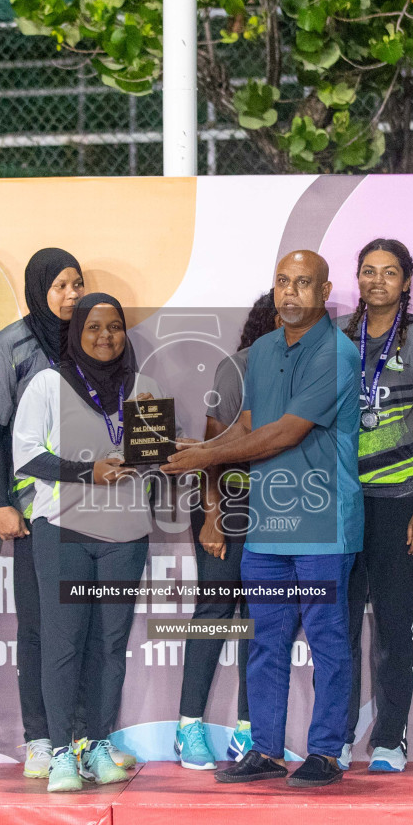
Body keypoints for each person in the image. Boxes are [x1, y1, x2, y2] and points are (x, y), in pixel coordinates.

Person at [164, 249, 362, 789]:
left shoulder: (339, 353)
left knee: (326, 637)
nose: (291, 292)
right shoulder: (265, 350)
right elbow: (248, 425)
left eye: (303, 283)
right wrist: (191, 446)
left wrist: (203, 457)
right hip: (269, 524)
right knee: (267, 637)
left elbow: (286, 432)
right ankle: (266, 750)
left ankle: (326, 751)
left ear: (324, 293)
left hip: (323, 522)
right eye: (282, 282)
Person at [0, 248, 127, 776]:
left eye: (77, 286)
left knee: (97, 635)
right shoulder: (12, 347)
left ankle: (89, 738)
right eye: (60, 286)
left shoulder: (114, 355)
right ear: (39, 288)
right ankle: (43, 737)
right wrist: (0, 502)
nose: (70, 296)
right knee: (44, 630)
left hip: (111, 524)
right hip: (40, 512)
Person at [14, 292, 162, 792]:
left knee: (110, 645)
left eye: (115, 327)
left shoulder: (144, 387)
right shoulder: (47, 385)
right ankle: (60, 753)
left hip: (126, 535)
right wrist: (87, 472)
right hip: (64, 533)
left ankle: (97, 744)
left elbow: (154, 462)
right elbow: (26, 455)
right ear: (76, 332)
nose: (105, 337)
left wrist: (160, 453)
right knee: (62, 644)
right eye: (94, 327)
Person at [339, 239, 413, 773]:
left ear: (407, 281)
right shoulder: (339, 337)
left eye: (389, 273)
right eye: (367, 271)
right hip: (342, 506)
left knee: (393, 625)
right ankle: (334, 734)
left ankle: (390, 738)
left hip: (401, 500)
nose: (376, 281)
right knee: (336, 627)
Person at [171, 292, 275, 770]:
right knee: (215, 611)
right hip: (226, 503)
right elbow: (213, 446)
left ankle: (249, 731)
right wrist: (213, 516)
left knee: (259, 618)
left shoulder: (310, 370)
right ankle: (188, 728)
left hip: (276, 508)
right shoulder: (238, 367)